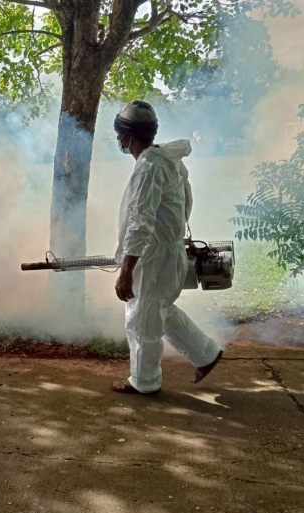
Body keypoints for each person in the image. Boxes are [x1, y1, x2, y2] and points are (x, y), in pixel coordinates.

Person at [111, 100, 223, 395]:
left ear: (127, 137)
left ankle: (144, 383)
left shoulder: (149, 168)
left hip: (153, 257)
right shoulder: (169, 160)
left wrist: (126, 270)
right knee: (160, 310)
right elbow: (185, 204)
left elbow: (140, 222)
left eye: (120, 135)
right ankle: (206, 354)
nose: (119, 140)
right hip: (169, 252)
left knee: (142, 321)